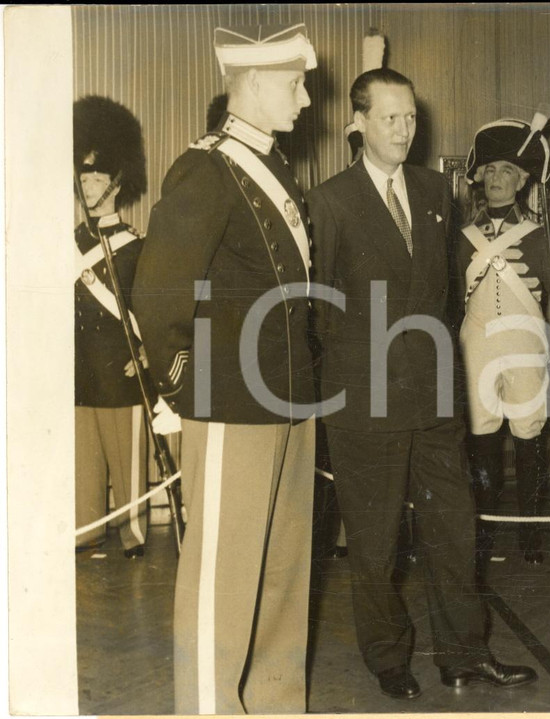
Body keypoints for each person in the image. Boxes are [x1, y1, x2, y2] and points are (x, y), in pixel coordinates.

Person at [306, 67, 537, 701]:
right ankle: (388, 657)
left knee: (454, 530)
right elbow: (319, 311)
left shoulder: (437, 191)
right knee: (376, 542)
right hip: (365, 399)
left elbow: (446, 294)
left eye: (411, 117)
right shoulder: (328, 201)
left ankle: (465, 654)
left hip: (433, 396)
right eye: (390, 118)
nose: (404, 129)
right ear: (358, 123)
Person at [132, 23, 318, 714]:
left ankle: (273, 704)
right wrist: (189, 388)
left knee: (280, 576)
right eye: (296, 85)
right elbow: (158, 294)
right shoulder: (206, 169)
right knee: (223, 580)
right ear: (256, 83)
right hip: (230, 402)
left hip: (290, 401)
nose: (305, 100)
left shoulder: (275, 165)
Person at [458, 119, 550, 566]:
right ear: (479, 176)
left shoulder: (538, 235)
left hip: (526, 343)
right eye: (490, 170)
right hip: (475, 344)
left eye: (507, 170)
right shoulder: (463, 238)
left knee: (529, 437)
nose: (496, 178)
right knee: (482, 438)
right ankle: (485, 532)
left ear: (523, 180)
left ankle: (530, 532)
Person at [73, 95, 149, 559]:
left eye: (97, 179)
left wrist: (143, 353)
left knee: (126, 460)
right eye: (83, 179)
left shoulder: (135, 246)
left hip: (120, 369)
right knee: (83, 461)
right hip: (80, 369)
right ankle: (86, 533)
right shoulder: (68, 244)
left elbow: (147, 310)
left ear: (116, 185)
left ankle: (132, 534)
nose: (87, 187)